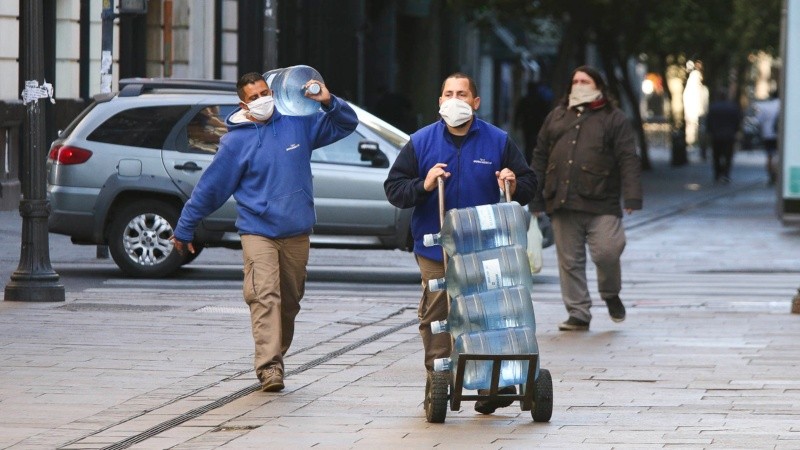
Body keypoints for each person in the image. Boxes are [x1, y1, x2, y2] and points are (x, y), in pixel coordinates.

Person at [171, 72, 358, 392]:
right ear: (243, 103)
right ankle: (270, 367)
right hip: (257, 231)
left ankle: (276, 354)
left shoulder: (298, 121)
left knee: (290, 301)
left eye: (264, 93)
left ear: (272, 91)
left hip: (296, 231)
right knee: (265, 297)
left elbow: (345, 124)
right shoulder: (235, 141)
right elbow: (211, 190)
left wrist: (328, 101)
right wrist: (184, 228)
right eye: (254, 98)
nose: (261, 101)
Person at [384, 72, 537, 415]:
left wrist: (513, 180)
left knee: (484, 316)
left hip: (483, 249)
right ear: (440, 102)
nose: (456, 100)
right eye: (449, 94)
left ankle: (488, 384)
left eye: (463, 94)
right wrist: (424, 184)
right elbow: (394, 190)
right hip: (434, 246)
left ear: (475, 102)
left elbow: (528, 184)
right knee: (438, 316)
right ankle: (438, 381)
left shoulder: (497, 141)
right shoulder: (421, 142)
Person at [530, 65, 642, 332]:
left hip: (602, 200)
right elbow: (540, 156)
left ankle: (610, 292)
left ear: (599, 86)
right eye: (575, 81)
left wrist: (632, 196)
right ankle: (578, 312)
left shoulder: (614, 119)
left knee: (608, 251)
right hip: (562, 199)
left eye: (585, 81)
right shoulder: (557, 116)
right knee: (569, 261)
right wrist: (535, 198)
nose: (579, 85)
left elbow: (628, 158)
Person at [705, 89, 742, 183]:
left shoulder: (713, 107)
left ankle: (717, 174)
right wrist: (736, 131)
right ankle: (726, 174)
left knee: (716, 156)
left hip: (716, 135)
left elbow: (708, 121)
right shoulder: (732, 107)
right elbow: (737, 121)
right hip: (729, 135)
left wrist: (709, 132)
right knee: (728, 156)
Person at [514, 80, 553, 164]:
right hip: (537, 125)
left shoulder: (525, 100)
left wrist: (516, 124)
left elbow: (518, 113)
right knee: (536, 143)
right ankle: (533, 159)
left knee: (528, 144)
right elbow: (546, 113)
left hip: (528, 126)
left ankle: (529, 159)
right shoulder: (540, 100)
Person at [756, 90, 780, 185]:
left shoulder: (765, 106)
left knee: (769, 155)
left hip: (768, 134)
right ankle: (777, 173)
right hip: (780, 135)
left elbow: (759, 120)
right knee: (778, 155)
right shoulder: (783, 104)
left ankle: (771, 174)